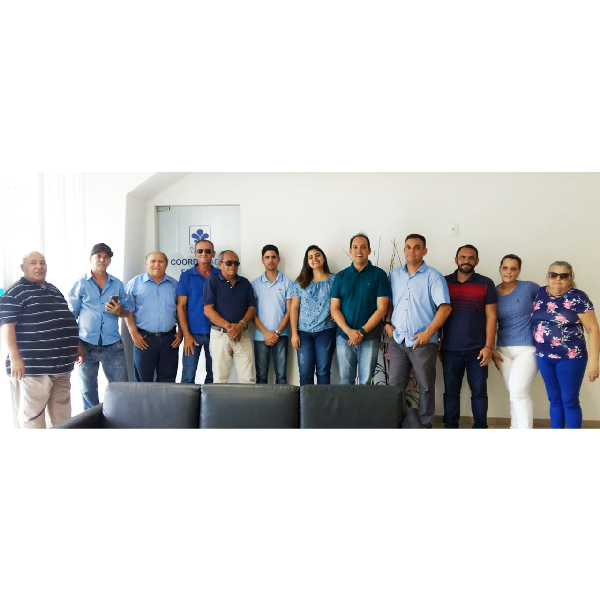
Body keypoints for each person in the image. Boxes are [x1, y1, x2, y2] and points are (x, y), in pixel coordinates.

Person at [0, 251, 83, 428]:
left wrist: (76, 345)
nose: (39, 266)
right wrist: (15, 358)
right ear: (23, 268)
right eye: (33, 263)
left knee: (63, 418)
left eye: (42, 262)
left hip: (62, 367)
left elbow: (66, 319)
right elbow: (6, 326)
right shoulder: (15, 292)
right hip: (33, 368)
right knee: (32, 419)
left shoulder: (54, 289)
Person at [384, 234, 451, 428]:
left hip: (423, 342)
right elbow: (389, 303)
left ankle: (424, 425)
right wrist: (387, 323)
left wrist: (428, 333)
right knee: (394, 388)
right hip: (398, 340)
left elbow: (445, 308)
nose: (411, 251)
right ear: (404, 250)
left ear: (424, 251)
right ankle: (394, 424)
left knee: (426, 387)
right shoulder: (394, 276)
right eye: (408, 247)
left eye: (417, 247)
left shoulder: (434, 276)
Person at [532, 260, 599, 428]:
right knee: (554, 400)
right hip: (544, 356)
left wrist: (593, 362)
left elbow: (593, 329)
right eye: (553, 275)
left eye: (563, 276)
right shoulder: (541, 293)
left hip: (570, 357)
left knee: (569, 400)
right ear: (548, 276)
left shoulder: (578, 297)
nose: (557, 279)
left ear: (570, 278)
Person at [441, 244, 498, 428]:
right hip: (450, 349)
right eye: (462, 257)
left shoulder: (486, 283)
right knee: (450, 392)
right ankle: (450, 427)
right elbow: (437, 314)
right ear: (456, 260)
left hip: (478, 350)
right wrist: (439, 342)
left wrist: (488, 347)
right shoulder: (443, 282)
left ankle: (480, 427)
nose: (466, 261)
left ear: (477, 261)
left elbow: (491, 316)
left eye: (471, 257)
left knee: (479, 392)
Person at [68, 243, 129, 410]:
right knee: (88, 391)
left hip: (113, 345)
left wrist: (118, 311)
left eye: (106, 257)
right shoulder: (80, 283)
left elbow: (126, 312)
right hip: (86, 344)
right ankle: (92, 422)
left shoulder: (117, 284)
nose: (102, 259)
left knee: (121, 388)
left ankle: (120, 419)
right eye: (98, 256)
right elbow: (71, 316)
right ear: (90, 259)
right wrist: (76, 344)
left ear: (109, 261)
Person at [330, 233, 391, 385]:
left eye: (363, 247)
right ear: (350, 251)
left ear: (369, 250)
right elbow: (334, 309)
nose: (359, 251)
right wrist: (349, 332)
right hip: (344, 337)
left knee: (365, 383)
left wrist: (361, 332)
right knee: (345, 382)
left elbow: (382, 309)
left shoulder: (379, 275)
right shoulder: (341, 276)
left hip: (369, 337)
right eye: (355, 247)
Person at [491, 254, 540, 429]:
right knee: (514, 393)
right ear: (500, 268)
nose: (508, 272)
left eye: (513, 268)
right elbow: (489, 321)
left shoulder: (529, 287)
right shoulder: (493, 292)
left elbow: (550, 302)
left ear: (519, 271)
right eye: (505, 268)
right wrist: (491, 348)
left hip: (527, 348)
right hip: (502, 349)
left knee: (519, 393)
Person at [124, 252, 182, 382]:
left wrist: (181, 333)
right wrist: (134, 333)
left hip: (170, 340)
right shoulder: (134, 284)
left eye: (161, 261)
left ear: (166, 264)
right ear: (146, 264)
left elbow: (181, 310)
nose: (157, 265)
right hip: (144, 339)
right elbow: (128, 311)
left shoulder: (175, 285)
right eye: (153, 261)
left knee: (168, 380)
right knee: (143, 381)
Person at [203, 250, 257, 384]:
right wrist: (231, 328)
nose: (233, 266)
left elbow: (252, 308)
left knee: (248, 379)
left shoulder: (245, 283)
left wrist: (240, 325)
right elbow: (208, 310)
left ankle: (247, 400)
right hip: (220, 335)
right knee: (220, 379)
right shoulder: (212, 282)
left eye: (236, 263)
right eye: (229, 263)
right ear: (220, 264)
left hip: (242, 334)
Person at [290, 245, 337, 385]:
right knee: (305, 373)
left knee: (323, 371)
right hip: (303, 333)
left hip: (326, 331)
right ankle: (306, 400)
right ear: (307, 262)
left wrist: (337, 312)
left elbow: (343, 299)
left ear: (323, 258)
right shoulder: (300, 283)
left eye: (317, 255)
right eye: (310, 257)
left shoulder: (334, 280)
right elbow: (294, 308)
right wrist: (294, 334)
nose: (314, 259)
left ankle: (322, 400)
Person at [177, 239, 219, 384]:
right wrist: (186, 335)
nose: (203, 254)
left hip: (216, 334)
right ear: (195, 253)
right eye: (200, 251)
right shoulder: (186, 276)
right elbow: (181, 307)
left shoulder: (220, 275)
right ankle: (186, 401)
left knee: (214, 377)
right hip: (192, 335)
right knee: (188, 377)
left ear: (213, 254)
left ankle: (210, 400)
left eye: (207, 251)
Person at [252, 245, 292, 384]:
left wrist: (276, 333)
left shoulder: (288, 282)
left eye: (273, 257)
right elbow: (252, 313)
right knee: (261, 378)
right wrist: (266, 333)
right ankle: (262, 400)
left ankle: (282, 401)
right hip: (260, 336)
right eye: (267, 257)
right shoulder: (255, 284)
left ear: (278, 259)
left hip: (281, 335)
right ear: (262, 260)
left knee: (281, 377)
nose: (270, 260)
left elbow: (289, 312)